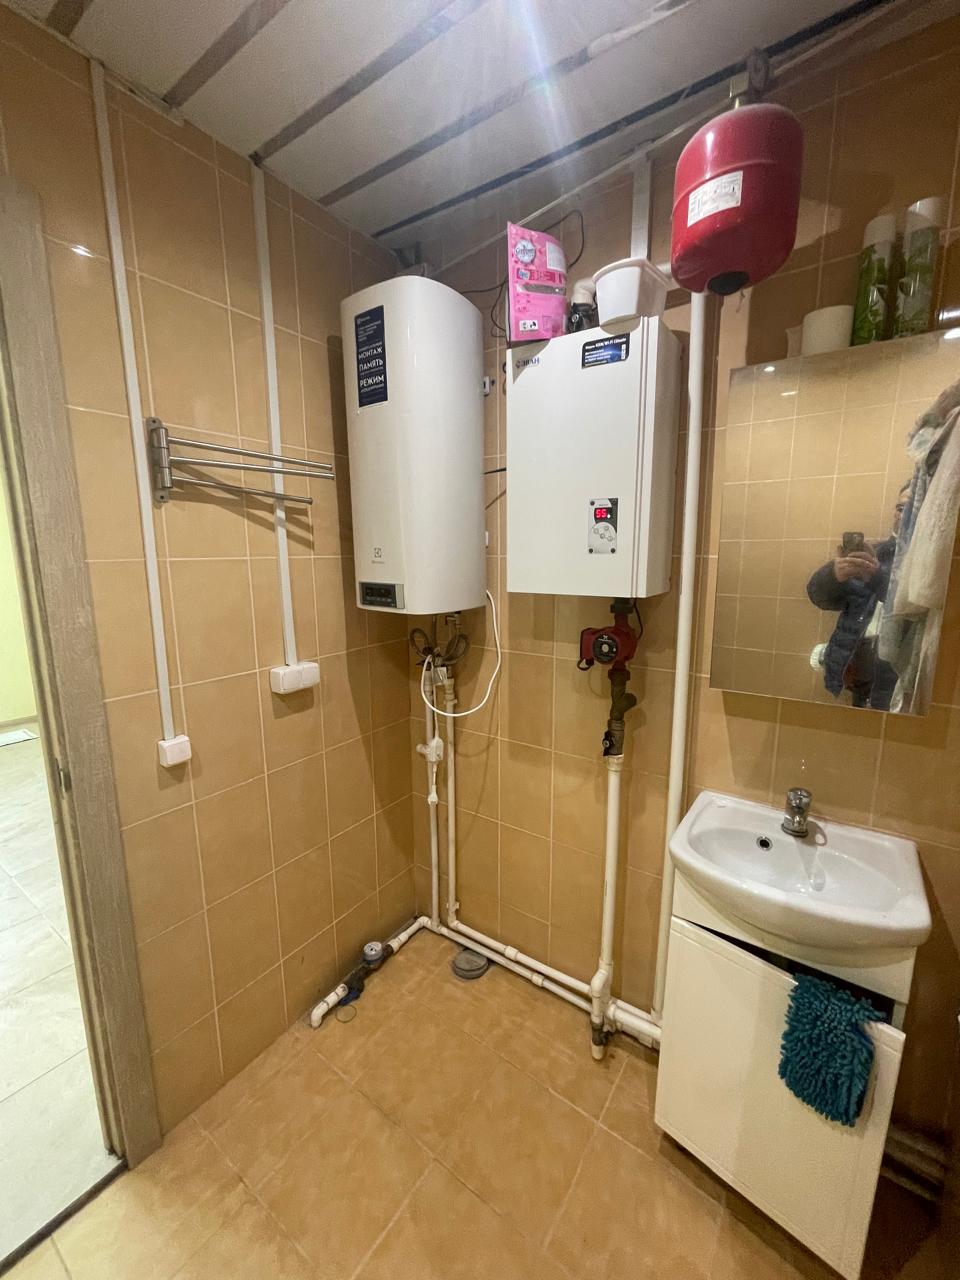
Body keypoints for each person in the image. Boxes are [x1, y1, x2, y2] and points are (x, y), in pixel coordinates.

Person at [806, 488, 908, 710]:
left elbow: (909, 607)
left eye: (912, 506)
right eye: (900, 507)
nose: (904, 514)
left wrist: (877, 577)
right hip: (856, 668)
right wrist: (833, 575)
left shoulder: (930, 565)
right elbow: (818, 597)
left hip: (896, 675)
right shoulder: (872, 554)